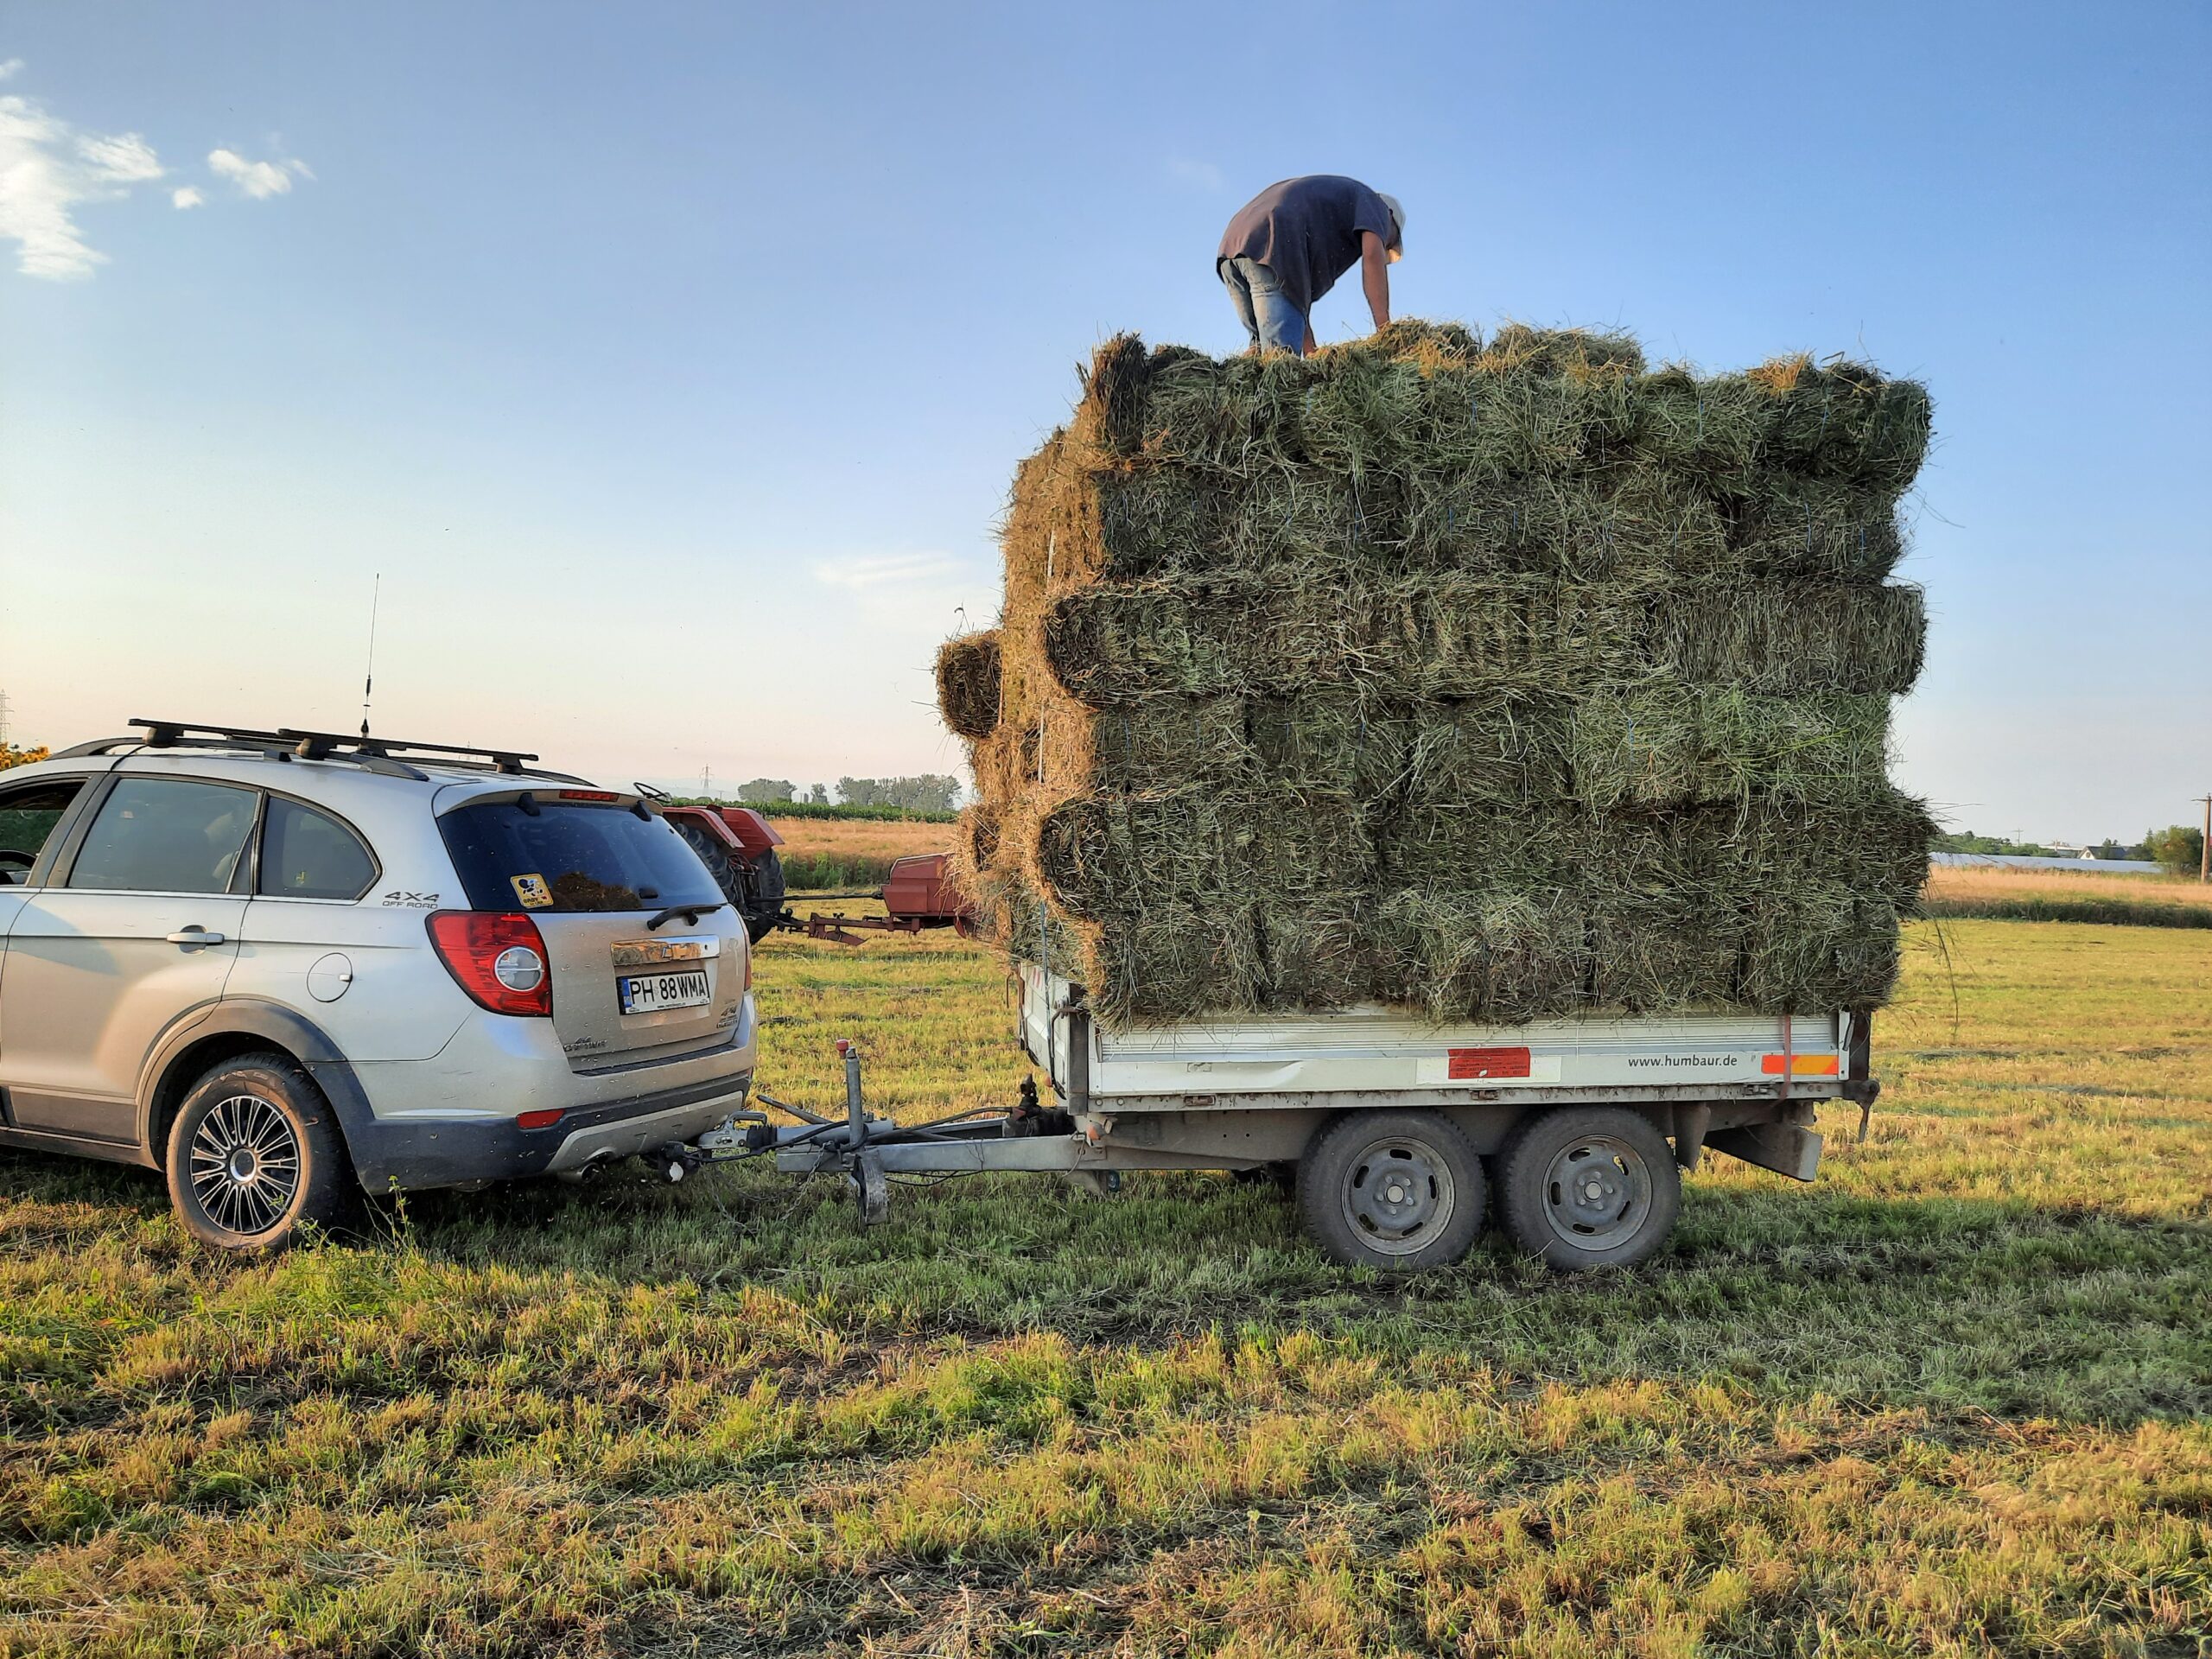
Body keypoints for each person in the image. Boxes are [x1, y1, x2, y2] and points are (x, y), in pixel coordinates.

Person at [1217, 175, 1404, 356]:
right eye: (1390, 241)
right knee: (1280, 363)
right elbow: (1372, 258)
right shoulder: (1375, 205)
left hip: (1234, 243)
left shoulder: (1330, 216)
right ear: (1389, 216)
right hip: (1273, 240)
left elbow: (1295, 299)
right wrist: (1386, 334)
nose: (1384, 246)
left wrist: (1311, 353)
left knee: (1259, 353)